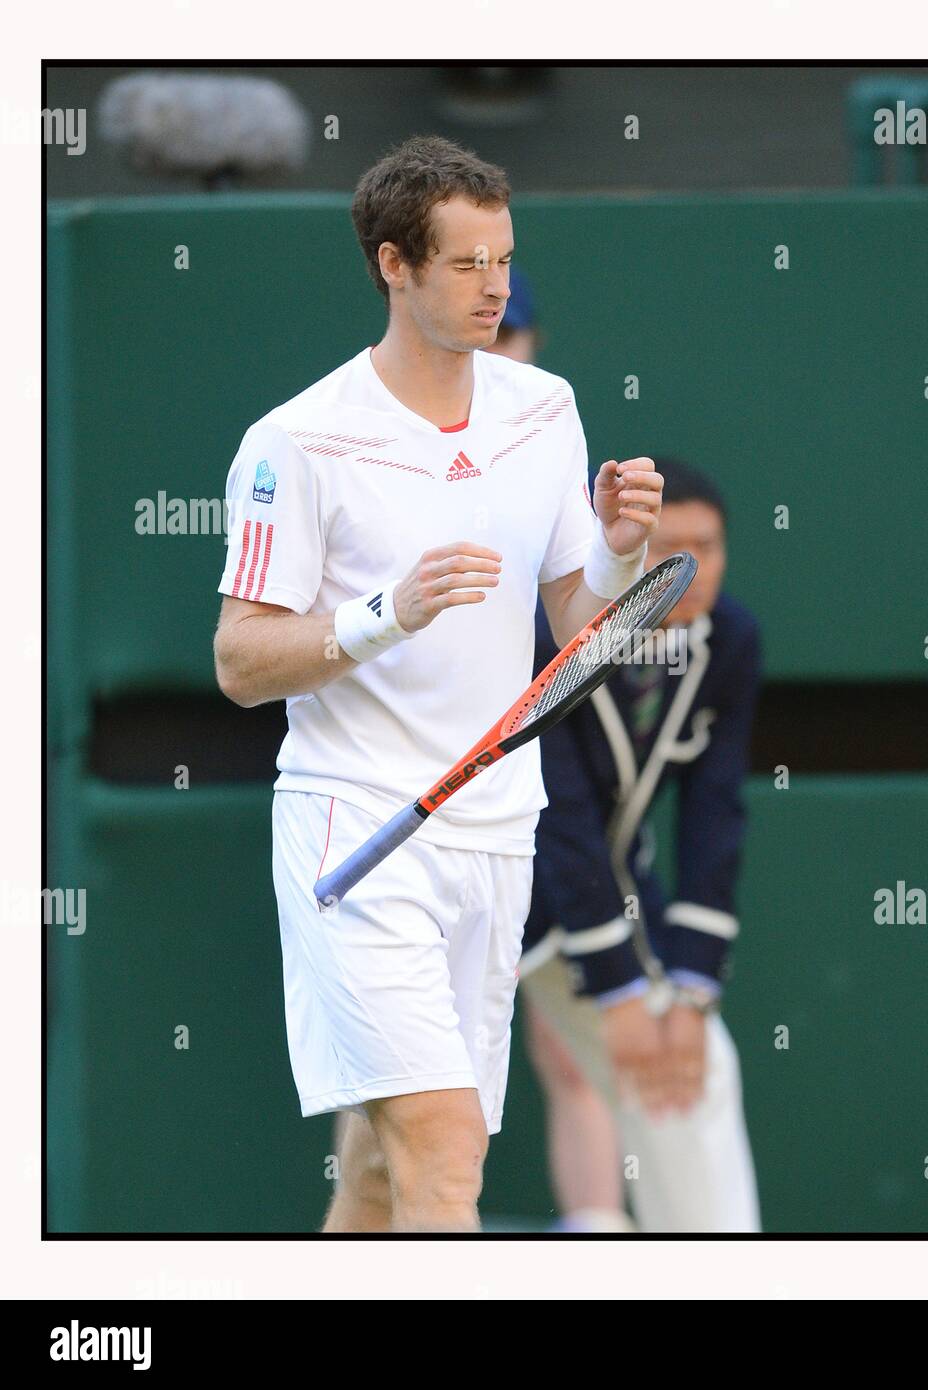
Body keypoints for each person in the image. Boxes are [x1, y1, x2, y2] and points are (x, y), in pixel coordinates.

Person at [212, 135, 661, 1233]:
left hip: (496, 835)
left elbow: (576, 631)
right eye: (465, 263)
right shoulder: (296, 442)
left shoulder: (545, 409)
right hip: (357, 831)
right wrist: (389, 612)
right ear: (393, 265)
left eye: (502, 260)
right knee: (446, 1153)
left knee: (378, 1170)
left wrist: (613, 555)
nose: (493, 286)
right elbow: (239, 662)